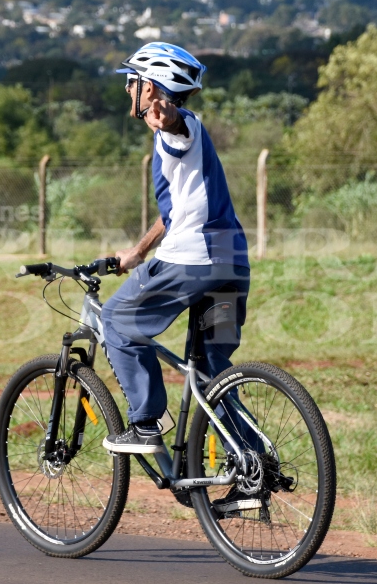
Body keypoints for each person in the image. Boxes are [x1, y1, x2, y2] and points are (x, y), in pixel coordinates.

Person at [101, 42, 251, 455]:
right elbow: (175, 213)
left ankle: (147, 423)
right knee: (212, 376)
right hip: (230, 266)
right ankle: (252, 463)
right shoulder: (195, 135)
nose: (127, 90)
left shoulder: (178, 129)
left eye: (132, 82)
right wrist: (138, 251)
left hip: (191, 265)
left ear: (149, 88)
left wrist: (168, 119)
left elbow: (176, 130)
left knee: (115, 320)